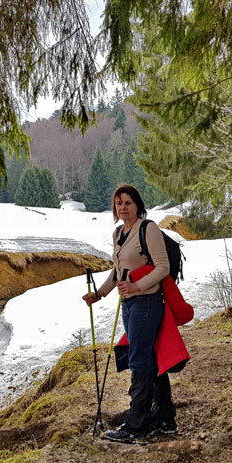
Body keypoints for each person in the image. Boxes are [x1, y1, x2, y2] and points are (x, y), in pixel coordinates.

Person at [82, 184, 177, 443]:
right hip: (130, 303)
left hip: (147, 302)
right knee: (151, 358)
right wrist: (100, 294)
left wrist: (137, 286)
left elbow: (163, 268)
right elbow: (118, 271)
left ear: (138, 205)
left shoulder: (149, 229)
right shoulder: (118, 233)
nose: (123, 207)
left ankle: (137, 423)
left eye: (128, 203)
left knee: (139, 359)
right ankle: (164, 418)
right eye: (119, 203)